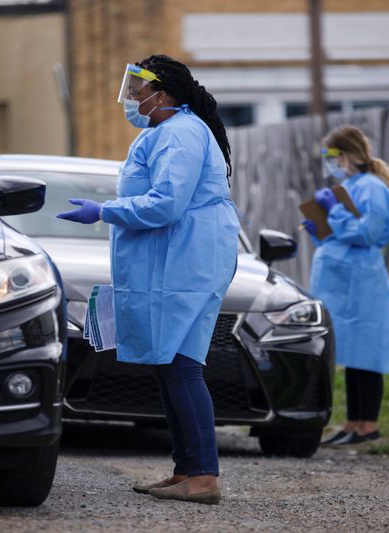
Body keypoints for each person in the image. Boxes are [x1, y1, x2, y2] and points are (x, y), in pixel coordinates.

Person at [57, 55, 240, 504]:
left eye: (140, 90)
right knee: (170, 363)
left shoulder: (179, 133)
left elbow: (165, 204)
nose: (134, 98)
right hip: (178, 258)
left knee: (181, 364)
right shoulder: (169, 131)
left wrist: (103, 211)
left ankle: (203, 477)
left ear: (164, 94)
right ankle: (187, 470)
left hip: (186, 261)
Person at [302, 125, 389, 445]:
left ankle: (367, 426)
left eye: (330, 156)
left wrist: (334, 214)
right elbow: (340, 234)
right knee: (351, 357)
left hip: (362, 284)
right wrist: (318, 227)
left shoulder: (372, 188)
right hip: (345, 285)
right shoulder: (351, 187)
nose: (328, 163)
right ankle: (352, 423)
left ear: (345, 154)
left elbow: (368, 233)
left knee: (367, 357)